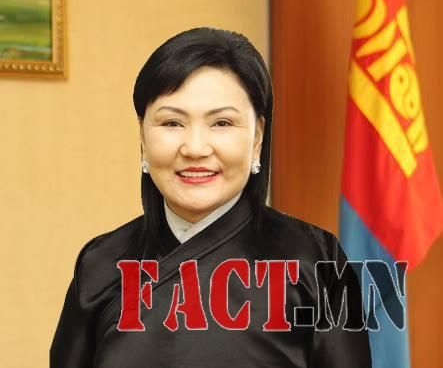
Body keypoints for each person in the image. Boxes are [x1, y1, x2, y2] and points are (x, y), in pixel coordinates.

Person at [50, 27, 372, 368]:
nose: (195, 148)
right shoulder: (100, 263)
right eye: (172, 123)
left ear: (258, 138)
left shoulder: (315, 262)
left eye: (221, 123)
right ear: (143, 136)